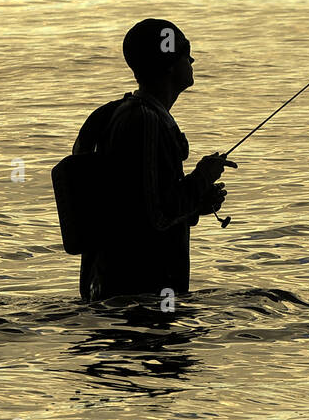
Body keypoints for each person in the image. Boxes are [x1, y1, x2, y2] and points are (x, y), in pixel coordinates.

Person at [76, 18, 234, 302]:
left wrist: (196, 204)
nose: (193, 59)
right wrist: (201, 178)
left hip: (119, 289)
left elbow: (137, 205)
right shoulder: (145, 122)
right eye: (186, 52)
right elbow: (155, 216)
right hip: (141, 293)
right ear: (171, 65)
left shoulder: (124, 114)